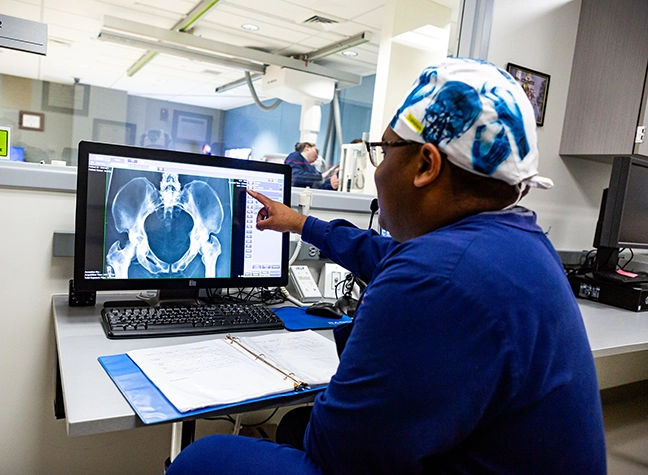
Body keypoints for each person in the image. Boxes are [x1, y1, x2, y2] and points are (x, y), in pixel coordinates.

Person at [166, 58, 606, 474]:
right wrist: (301, 223)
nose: (378, 168)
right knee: (293, 425)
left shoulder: (437, 277)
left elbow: (334, 454)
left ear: (426, 164)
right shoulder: (514, 240)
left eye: (384, 149)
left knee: (203, 459)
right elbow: (384, 255)